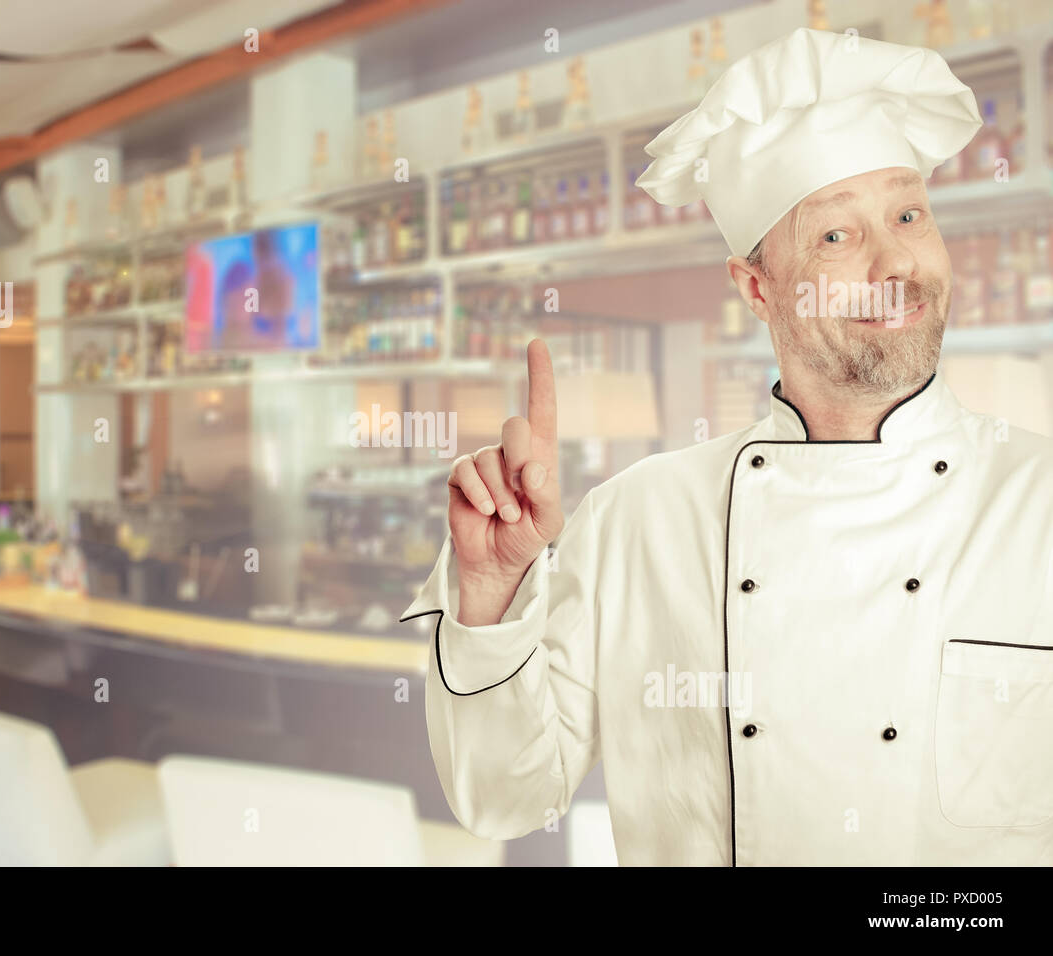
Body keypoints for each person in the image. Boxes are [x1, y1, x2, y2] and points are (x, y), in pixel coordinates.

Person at [401, 27, 1053, 865]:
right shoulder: (641, 518)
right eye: (835, 237)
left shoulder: (1039, 505)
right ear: (756, 288)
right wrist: (491, 594)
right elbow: (504, 799)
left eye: (908, 214)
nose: (897, 261)